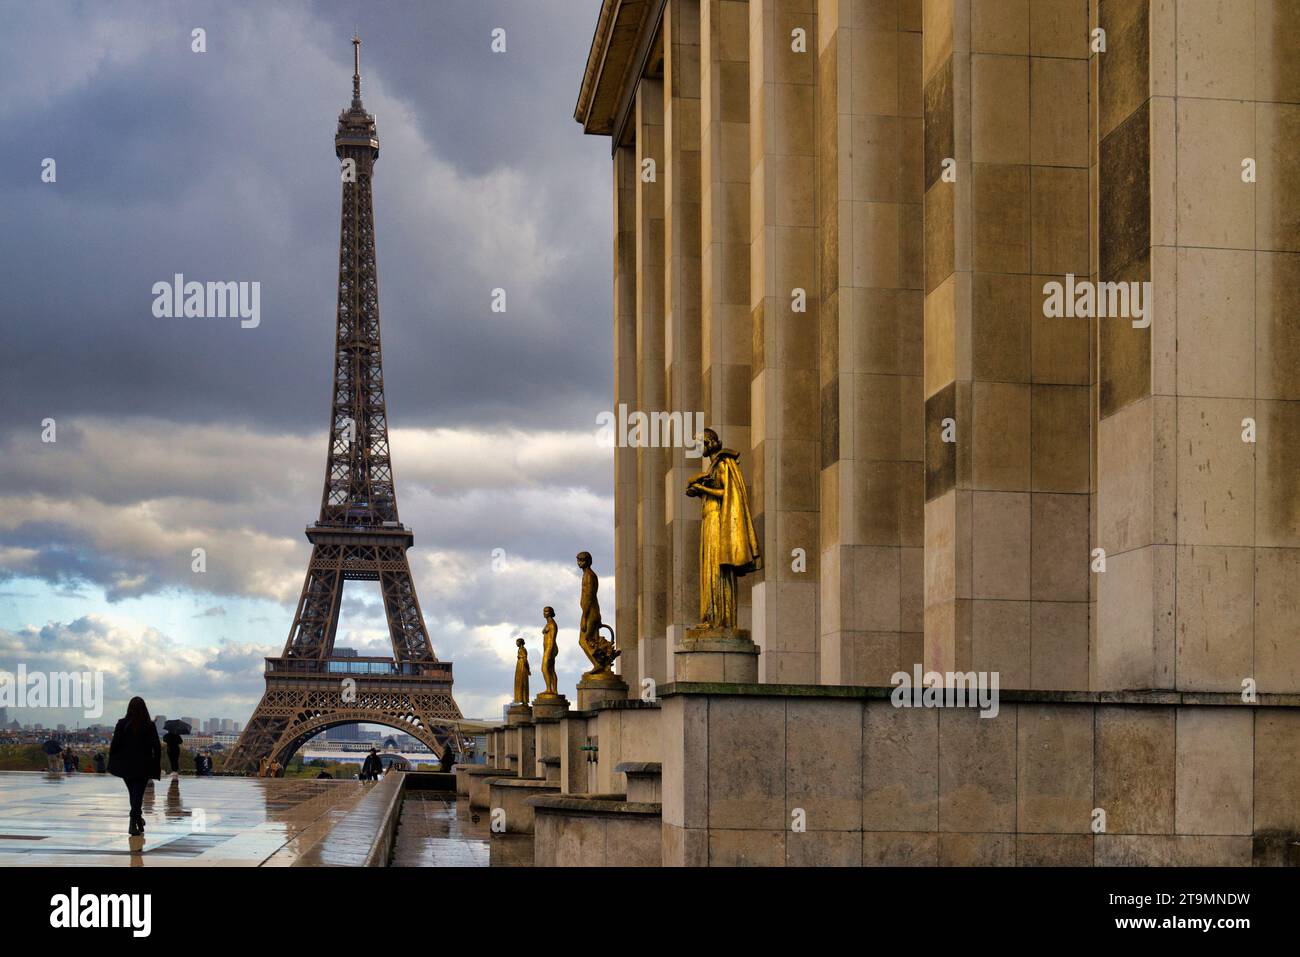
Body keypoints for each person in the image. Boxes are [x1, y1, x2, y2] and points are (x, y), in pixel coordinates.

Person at [108, 697, 162, 836]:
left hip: (126, 765)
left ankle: (137, 819)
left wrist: (114, 760)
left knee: (133, 794)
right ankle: (134, 822)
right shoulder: (149, 725)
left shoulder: (122, 724)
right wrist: (156, 764)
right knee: (137, 794)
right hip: (143, 765)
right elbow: (156, 747)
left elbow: (115, 745)